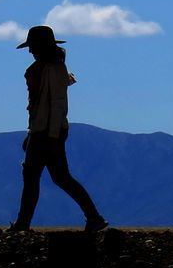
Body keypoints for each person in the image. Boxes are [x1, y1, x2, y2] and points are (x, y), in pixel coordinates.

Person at [8, 25, 108, 233]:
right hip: (43, 131)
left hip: (47, 133)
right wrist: (32, 132)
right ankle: (93, 217)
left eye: (33, 46)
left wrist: (51, 136)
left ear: (43, 47)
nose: (30, 51)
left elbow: (57, 105)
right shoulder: (46, 68)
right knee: (57, 177)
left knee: (36, 176)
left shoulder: (53, 69)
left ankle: (23, 224)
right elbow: (42, 107)